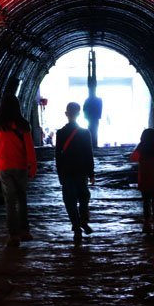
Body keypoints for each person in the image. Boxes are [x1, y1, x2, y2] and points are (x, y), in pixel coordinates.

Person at [0, 94, 37, 247]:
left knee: (9, 202)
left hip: (4, 167)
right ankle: (25, 231)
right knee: (21, 200)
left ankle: (13, 235)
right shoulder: (23, 126)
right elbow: (29, 148)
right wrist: (32, 166)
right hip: (21, 167)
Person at [56, 102, 95, 242]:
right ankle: (84, 220)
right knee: (84, 197)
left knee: (70, 201)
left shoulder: (60, 133)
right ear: (79, 114)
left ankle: (77, 227)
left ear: (66, 114)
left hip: (67, 172)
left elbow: (58, 156)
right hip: (81, 171)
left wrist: (60, 174)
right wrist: (91, 174)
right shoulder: (85, 133)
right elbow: (89, 154)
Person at [131, 128, 154, 236]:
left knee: (146, 203)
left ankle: (146, 224)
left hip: (144, 180)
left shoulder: (141, 148)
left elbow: (133, 158)